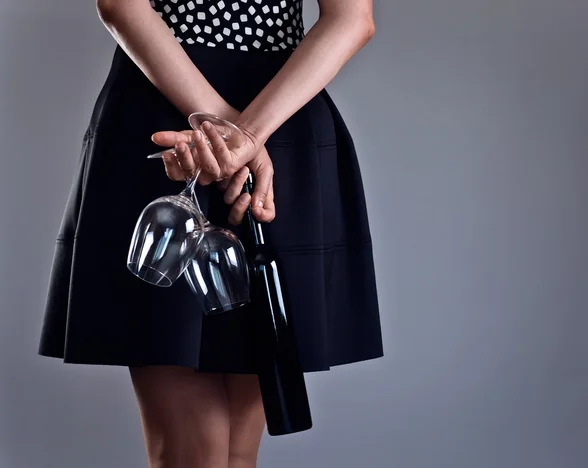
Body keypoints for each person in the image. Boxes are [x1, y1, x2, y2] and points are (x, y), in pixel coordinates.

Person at [38, 0, 384, 466]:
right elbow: (352, 18)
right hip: (272, 115)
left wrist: (233, 136)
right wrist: (244, 137)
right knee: (226, 453)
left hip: (174, 106)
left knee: (197, 450)